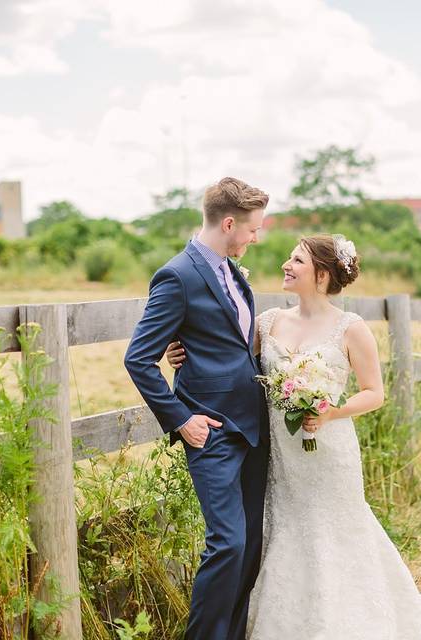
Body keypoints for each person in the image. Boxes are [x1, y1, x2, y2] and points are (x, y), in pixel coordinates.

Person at [165, 234, 421, 639]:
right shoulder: (269, 322)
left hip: (329, 452)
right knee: (287, 534)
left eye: (296, 261)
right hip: (283, 458)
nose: (285, 266)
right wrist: (178, 351)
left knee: (336, 534)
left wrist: (331, 412)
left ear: (322, 275)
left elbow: (374, 393)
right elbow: (226, 358)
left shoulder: (351, 328)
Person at [123, 176, 270, 640]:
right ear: (229, 223)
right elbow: (138, 358)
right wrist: (182, 419)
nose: (256, 237)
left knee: (249, 547)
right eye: (252, 229)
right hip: (211, 429)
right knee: (227, 543)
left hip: (254, 427)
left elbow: (234, 344)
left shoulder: (231, 269)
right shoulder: (178, 276)